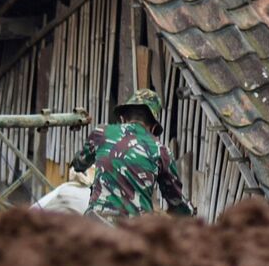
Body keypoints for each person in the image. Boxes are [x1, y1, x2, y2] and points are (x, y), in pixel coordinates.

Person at [69, 89, 193, 224]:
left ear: (123, 118)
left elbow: (79, 163)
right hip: (135, 230)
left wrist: (79, 164)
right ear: (153, 127)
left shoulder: (102, 133)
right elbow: (176, 202)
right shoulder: (161, 151)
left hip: (96, 221)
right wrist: (187, 214)